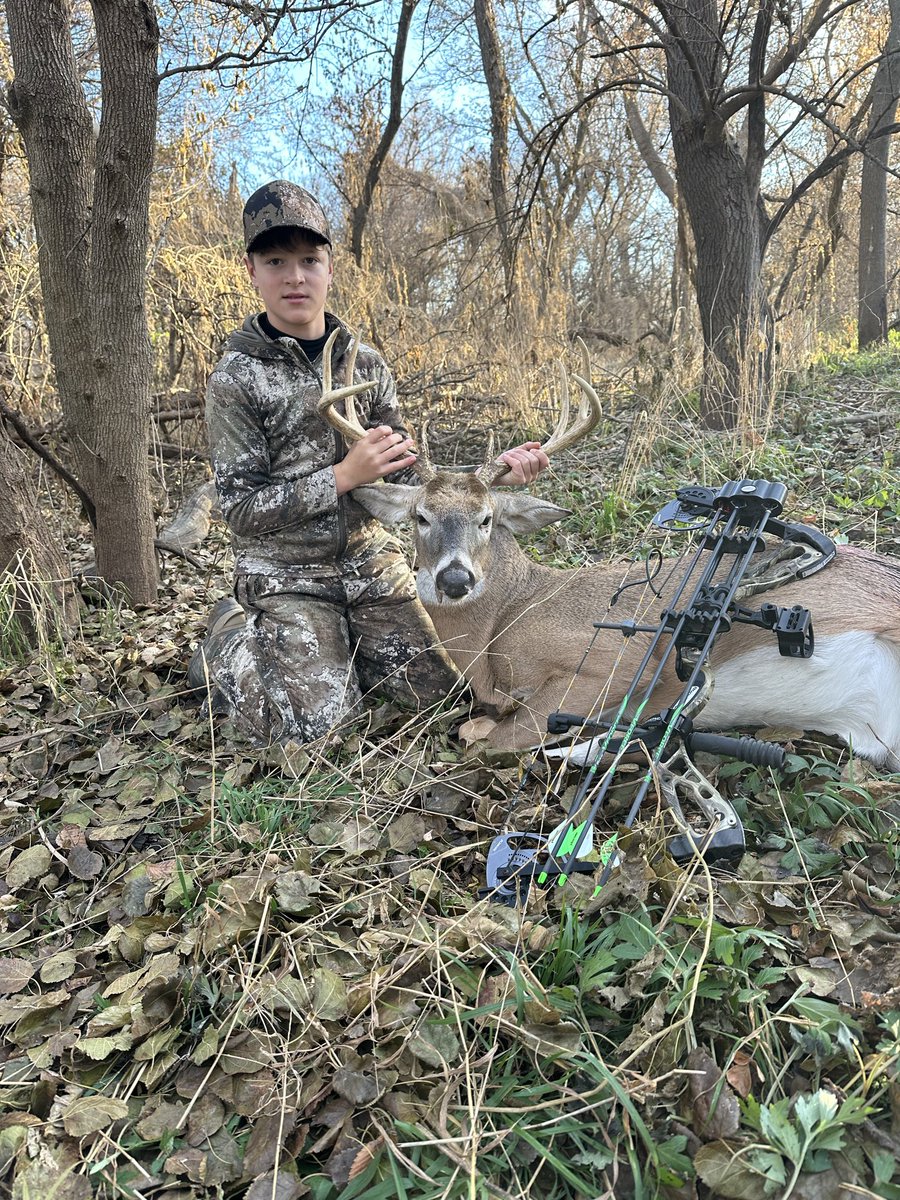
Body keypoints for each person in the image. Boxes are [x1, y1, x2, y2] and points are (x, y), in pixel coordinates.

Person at [189, 179, 548, 745]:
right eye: (276, 261)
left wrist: (493, 475)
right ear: (252, 270)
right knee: (314, 731)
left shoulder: (368, 364)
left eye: (310, 260)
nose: (295, 277)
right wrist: (341, 478)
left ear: (330, 267)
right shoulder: (236, 378)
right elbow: (237, 510)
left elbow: (407, 471)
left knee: (452, 699)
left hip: (369, 565)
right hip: (287, 575)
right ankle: (228, 634)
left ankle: (337, 652)